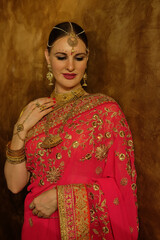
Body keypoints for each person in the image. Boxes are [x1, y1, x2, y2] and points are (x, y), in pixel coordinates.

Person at [4, 22, 139, 240]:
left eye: (78, 58)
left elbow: (122, 188)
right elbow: (14, 185)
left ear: (88, 58)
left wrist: (61, 197)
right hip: (35, 227)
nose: (70, 67)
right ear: (47, 57)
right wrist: (19, 130)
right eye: (61, 57)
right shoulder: (32, 113)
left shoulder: (106, 111)